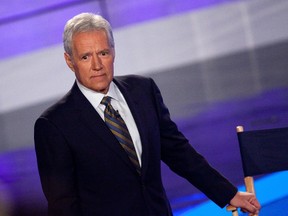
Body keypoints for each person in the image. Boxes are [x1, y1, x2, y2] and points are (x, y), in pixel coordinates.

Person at [34, 12, 260, 216]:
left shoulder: (143, 91)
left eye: (103, 53)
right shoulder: (54, 125)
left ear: (113, 52)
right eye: (85, 57)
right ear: (69, 61)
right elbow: (63, 205)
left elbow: (178, 152)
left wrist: (228, 193)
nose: (97, 65)